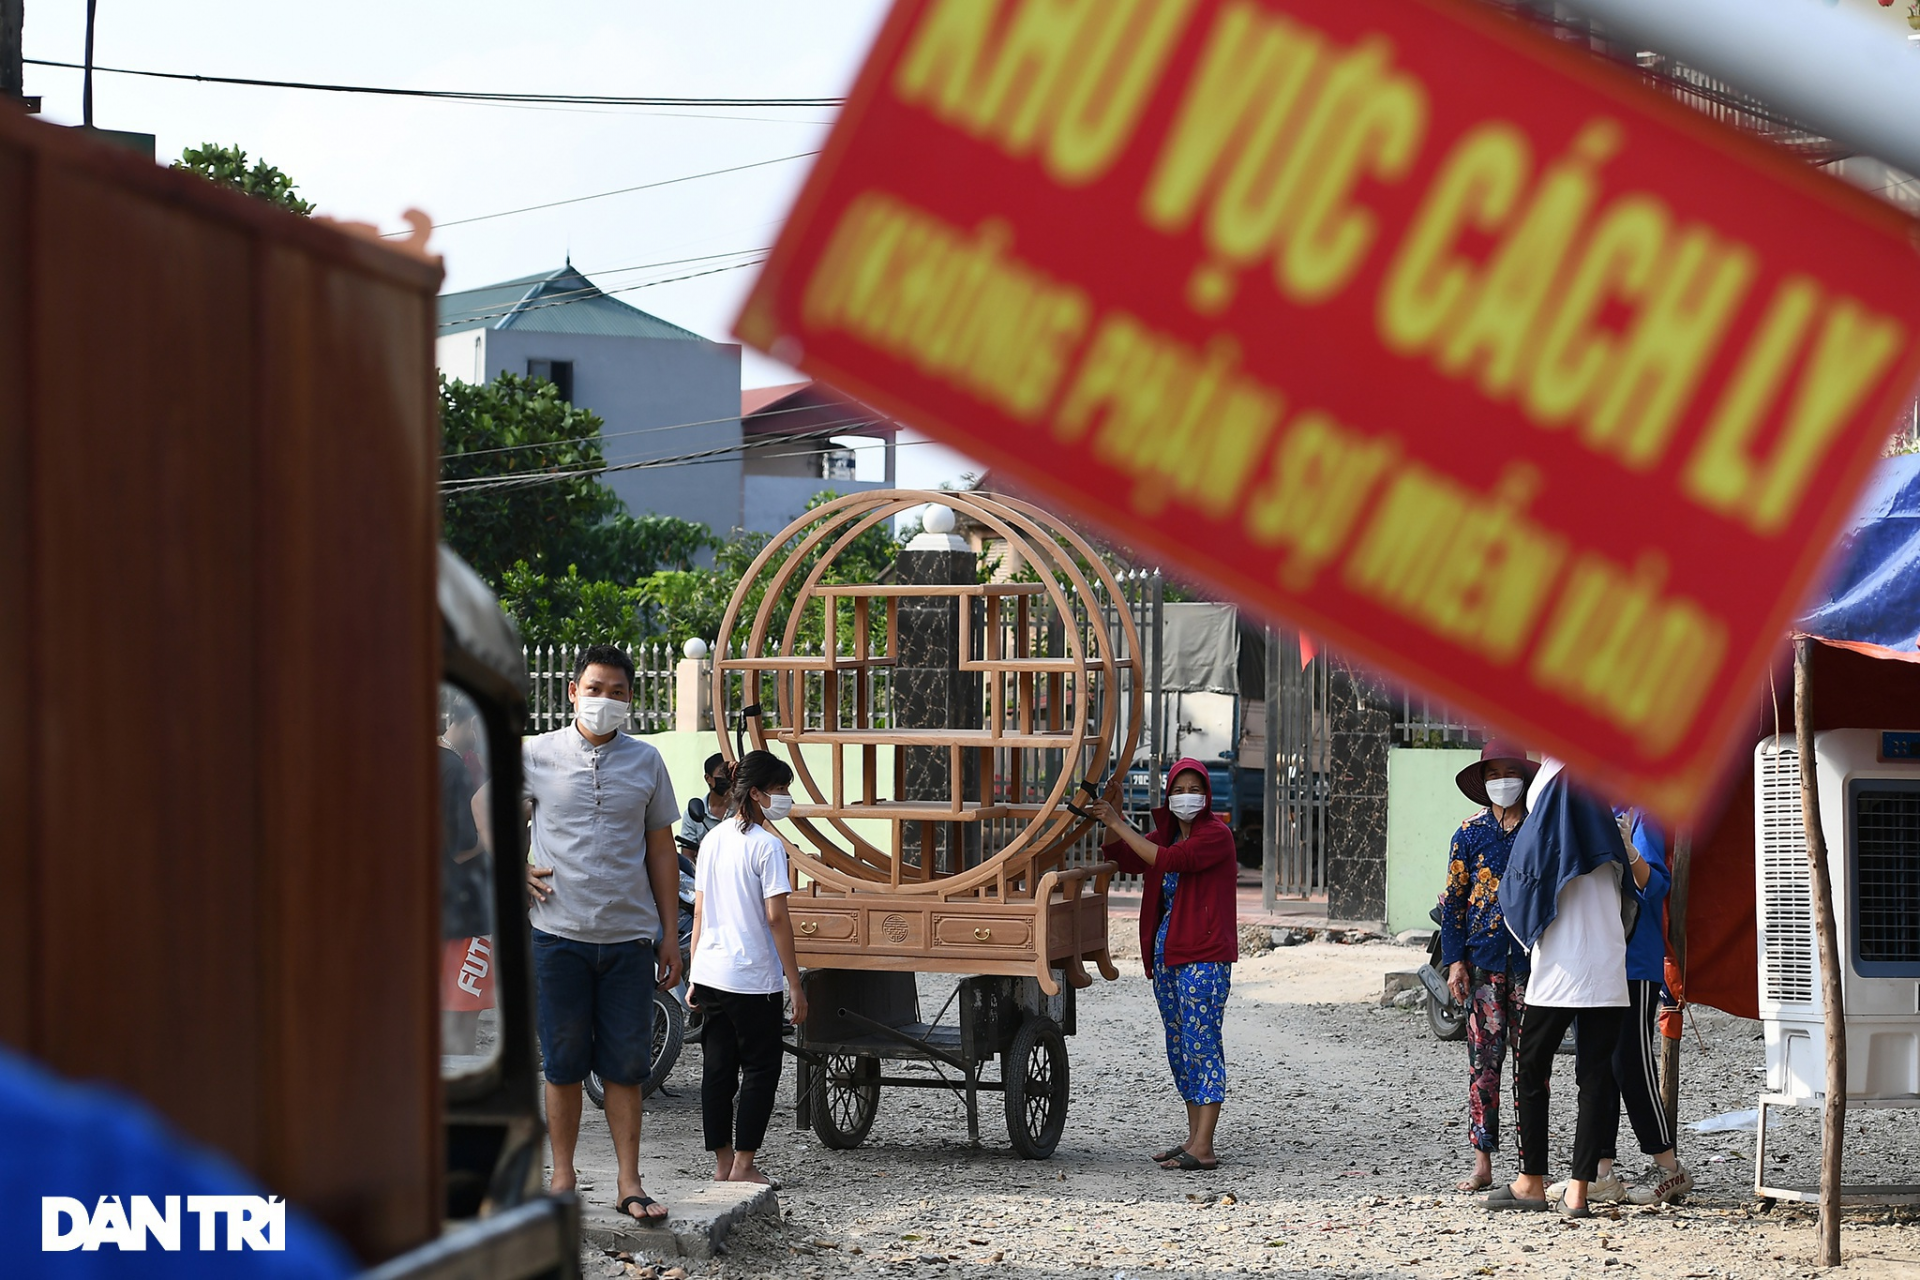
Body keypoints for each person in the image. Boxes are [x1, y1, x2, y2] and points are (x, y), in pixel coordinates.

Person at [523, 644, 683, 1225]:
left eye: (617, 692)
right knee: (562, 1063)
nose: (604, 701)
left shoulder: (648, 762)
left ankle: (629, 1182)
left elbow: (662, 850)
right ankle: (562, 1179)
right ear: (573, 691)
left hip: (629, 940)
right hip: (557, 935)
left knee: (625, 1067)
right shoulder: (534, 754)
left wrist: (670, 933)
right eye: (595, 689)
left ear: (630, 701)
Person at [1487, 763, 1630, 1218]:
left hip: (1561, 965)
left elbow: (1524, 877)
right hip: (1607, 961)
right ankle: (1578, 1192)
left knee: (1532, 1064)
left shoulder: (1553, 787)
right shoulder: (1606, 804)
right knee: (1596, 1077)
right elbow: (1630, 888)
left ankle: (1531, 1180)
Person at [1085, 758, 1238, 1172]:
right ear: (1168, 796)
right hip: (1169, 958)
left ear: (1205, 795)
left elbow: (1170, 861)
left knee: (1202, 1044)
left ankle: (1204, 1146)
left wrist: (1118, 821)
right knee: (1181, 1047)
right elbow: (1125, 857)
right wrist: (1110, 815)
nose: (1186, 796)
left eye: (1194, 789)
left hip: (1203, 958)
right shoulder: (1167, 834)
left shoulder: (1215, 836)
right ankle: (1194, 1138)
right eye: (1179, 789)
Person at [688, 749, 809, 1187]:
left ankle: (722, 1163)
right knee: (760, 1068)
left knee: (717, 1070)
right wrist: (794, 984)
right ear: (756, 793)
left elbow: (700, 912)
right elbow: (777, 919)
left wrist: (695, 971)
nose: (786, 797)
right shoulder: (767, 846)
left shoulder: (713, 839)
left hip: (712, 974)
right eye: (780, 790)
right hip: (751, 977)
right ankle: (744, 1163)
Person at [1438, 740, 1538, 1193]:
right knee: (1484, 1066)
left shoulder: (1539, 830)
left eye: (1509, 772)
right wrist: (1455, 961)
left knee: (1532, 1067)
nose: (1503, 782)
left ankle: (1529, 1165)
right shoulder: (1469, 833)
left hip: (1533, 967)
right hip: (1481, 967)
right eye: (1493, 774)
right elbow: (1454, 901)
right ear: (1483, 781)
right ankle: (1483, 1164)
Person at [1585, 807, 1693, 1206]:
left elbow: (1654, 887)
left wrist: (1629, 849)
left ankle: (1669, 1166)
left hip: (1634, 961)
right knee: (1599, 1065)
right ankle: (1601, 1173)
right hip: (1595, 956)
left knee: (1630, 1062)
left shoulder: (1641, 813)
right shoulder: (1589, 811)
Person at [439, 693, 494, 1057]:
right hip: (465, 912)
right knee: (462, 1020)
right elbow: (461, 847)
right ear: (471, 723)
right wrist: (491, 840)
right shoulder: (454, 769)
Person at [678, 753, 732, 867]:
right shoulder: (693, 813)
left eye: (730, 774)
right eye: (722, 774)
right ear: (708, 778)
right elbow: (687, 856)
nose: (727, 779)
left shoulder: (742, 810)